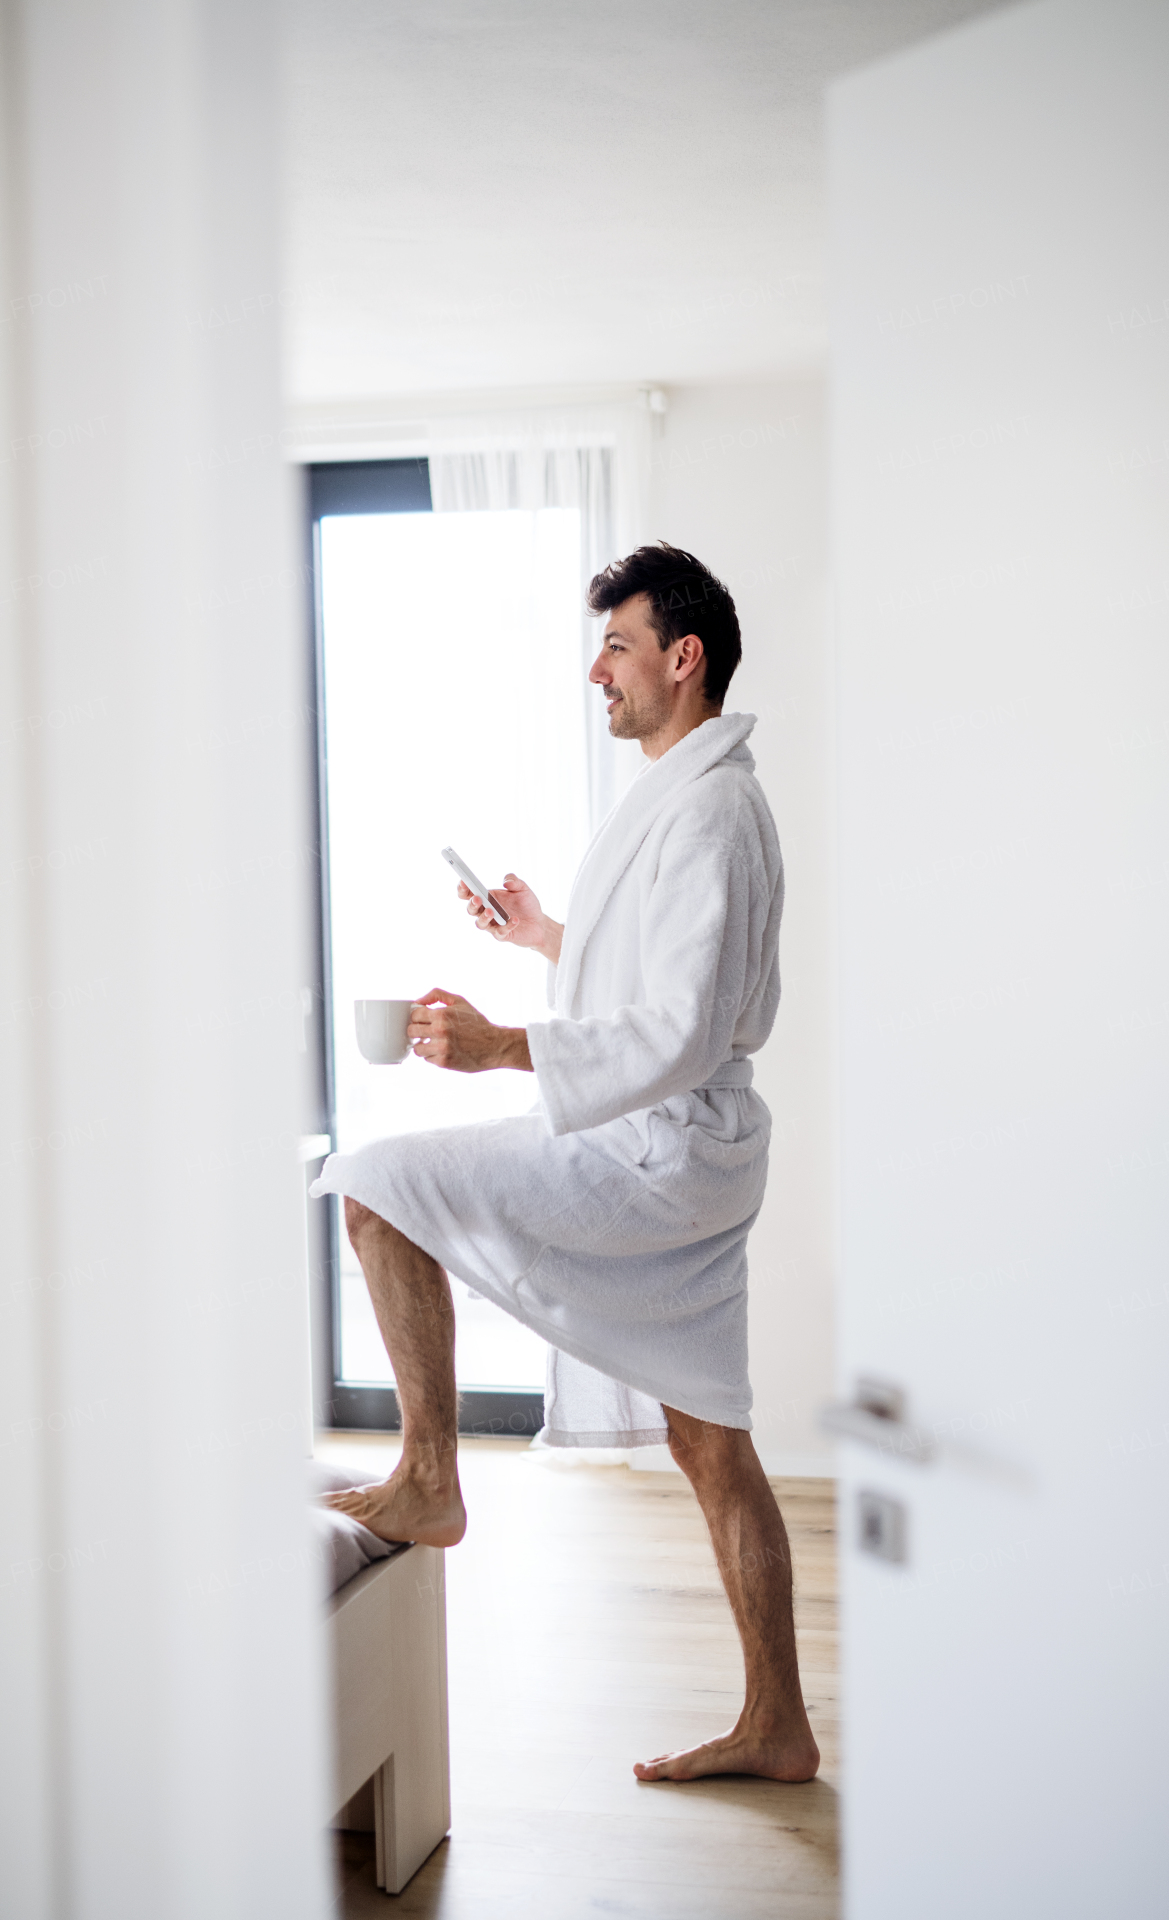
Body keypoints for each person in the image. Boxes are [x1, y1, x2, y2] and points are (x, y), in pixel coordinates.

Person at [313, 542, 819, 1785]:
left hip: (663, 1153)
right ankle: (778, 1726)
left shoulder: (705, 807)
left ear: (681, 659)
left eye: (616, 647)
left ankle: (430, 1473)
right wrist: (545, 934)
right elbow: (662, 987)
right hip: (694, 1147)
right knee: (713, 1445)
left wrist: (501, 1052)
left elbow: (684, 1027)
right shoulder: (694, 791)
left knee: (375, 1181)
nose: (596, 674)